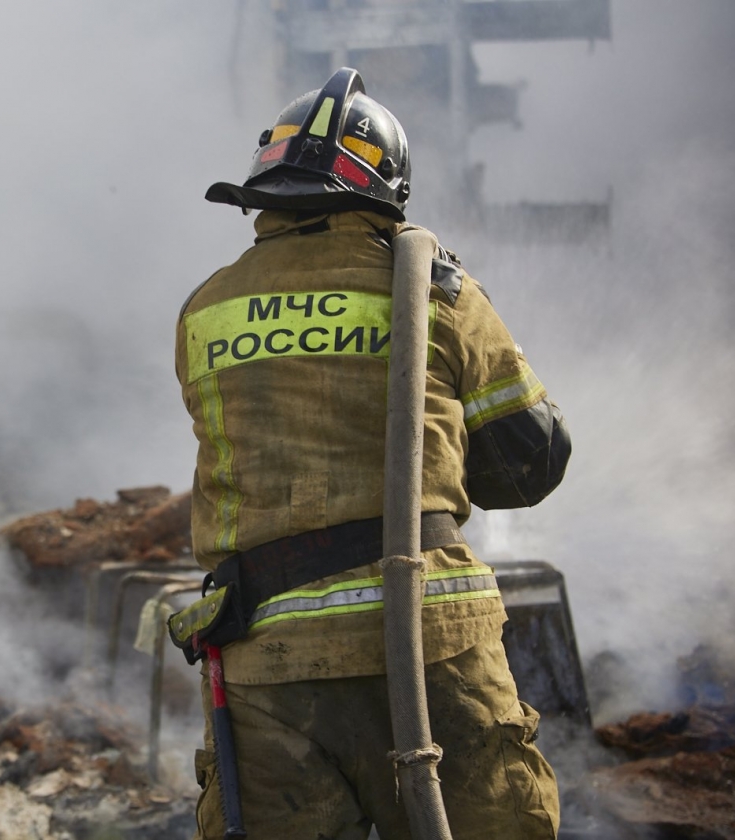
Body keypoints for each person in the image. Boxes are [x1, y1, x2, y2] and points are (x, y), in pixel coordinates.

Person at [169, 68, 571, 839]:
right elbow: (530, 466)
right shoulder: (436, 287)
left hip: (267, 664)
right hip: (432, 645)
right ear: (385, 186)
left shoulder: (206, 308)